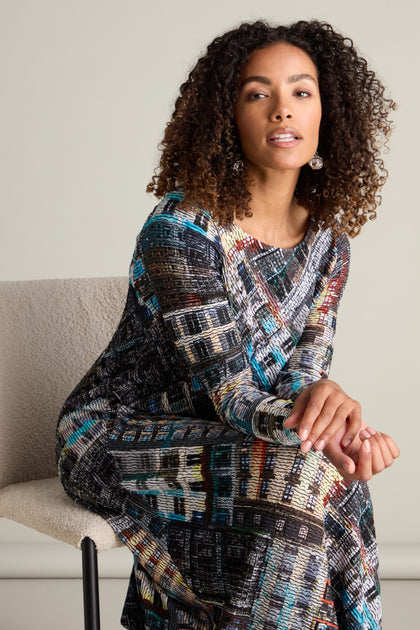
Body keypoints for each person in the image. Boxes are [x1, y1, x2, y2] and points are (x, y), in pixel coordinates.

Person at [56, 19, 400, 630]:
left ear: (328, 115)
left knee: (329, 481)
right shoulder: (181, 232)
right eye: (256, 93)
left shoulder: (330, 244)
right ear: (228, 117)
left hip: (239, 445)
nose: (281, 110)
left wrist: (333, 427)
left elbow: (299, 381)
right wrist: (317, 434)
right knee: (304, 474)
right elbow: (233, 396)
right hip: (116, 440)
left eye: (301, 91)